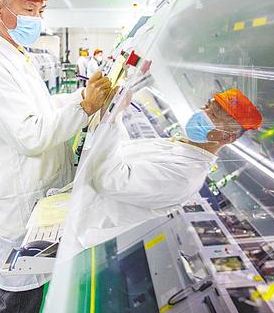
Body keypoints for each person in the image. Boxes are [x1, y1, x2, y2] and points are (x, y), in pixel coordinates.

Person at [0, 0, 112, 313]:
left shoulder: (15, 56)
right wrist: (84, 108)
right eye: (28, 9)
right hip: (18, 206)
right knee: (17, 308)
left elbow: (41, 109)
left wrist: (80, 97)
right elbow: (30, 134)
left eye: (40, 10)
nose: (37, 19)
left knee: (28, 300)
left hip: (37, 198)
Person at [63, 88, 263, 255]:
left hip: (70, 226)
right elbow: (122, 151)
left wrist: (111, 119)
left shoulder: (185, 177)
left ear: (227, 137)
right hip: (68, 204)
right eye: (206, 106)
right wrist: (117, 112)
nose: (202, 113)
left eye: (213, 115)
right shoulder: (180, 146)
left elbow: (111, 180)